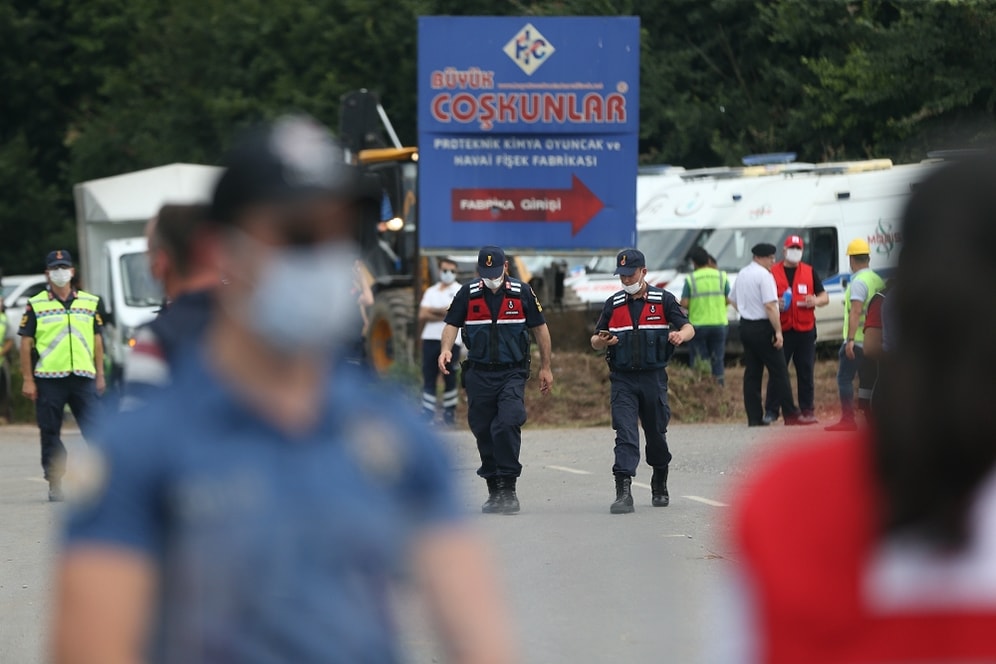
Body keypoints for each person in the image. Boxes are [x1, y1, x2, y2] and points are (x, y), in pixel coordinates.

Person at [53, 115, 516, 664]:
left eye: (341, 234)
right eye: (298, 234)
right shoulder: (135, 454)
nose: (324, 257)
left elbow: (478, 639)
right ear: (221, 251)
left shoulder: (397, 438)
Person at [722, 151, 996, 664]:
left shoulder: (787, 498)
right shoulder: (790, 278)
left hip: (832, 347)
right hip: (803, 338)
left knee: (838, 390)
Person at [438, 245, 553, 515]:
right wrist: (445, 349)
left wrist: (546, 367)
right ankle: (494, 489)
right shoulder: (468, 293)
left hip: (511, 372)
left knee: (509, 420)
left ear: (506, 268)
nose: (491, 277)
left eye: (496, 271)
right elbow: (451, 324)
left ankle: (509, 487)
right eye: (485, 272)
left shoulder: (522, 292)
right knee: (483, 430)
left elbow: (541, 329)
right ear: (479, 270)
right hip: (478, 374)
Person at [592, 248, 694, 514]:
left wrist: (680, 336)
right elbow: (594, 340)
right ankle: (623, 491)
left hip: (653, 378)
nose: (625, 280)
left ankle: (659, 479)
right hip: (623, 380)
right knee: (625, 433)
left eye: (630, 274)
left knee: (656, 434)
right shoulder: (613, 304)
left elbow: (688, 326)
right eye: (622, 276)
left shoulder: (663, 300)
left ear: (643, 272)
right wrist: (602, 341)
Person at [18, 249, 105, 501]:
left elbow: (97, 339)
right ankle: (55, 482)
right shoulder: (36, 304)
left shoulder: (89, 302)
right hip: (48, 379)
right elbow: (26, 342)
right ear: (47, 273)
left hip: (83, 376)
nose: (60, 272)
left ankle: (104, 481)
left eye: (64, 267)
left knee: (97, 430)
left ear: (72, 271)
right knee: (50, 433)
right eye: (55, 268)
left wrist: (100, 373)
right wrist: (27, 378)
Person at [121, 204, 218, 408]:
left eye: (149, 255)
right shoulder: (259, 323)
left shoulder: (157, 339)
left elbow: (139, 425)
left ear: (161, 263)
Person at [729, 243, 810, 427]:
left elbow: (732, 299)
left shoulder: (743, 274)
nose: (773, 262)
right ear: (759, 257)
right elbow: (770, 306)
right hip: (763, 327)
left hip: (746, 326)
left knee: (752, 372)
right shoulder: (764, 276)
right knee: (779, 370)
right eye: (770, 258)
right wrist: (778, 331)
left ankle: (754, 417)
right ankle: (790, 414)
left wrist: (745, 310)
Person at [763, 235, 828, 424]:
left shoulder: (809, 271)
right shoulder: (772, 272)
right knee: (778, 371)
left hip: (805, 329)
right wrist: (776, 303)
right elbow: (765, 298)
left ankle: (807, 410)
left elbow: (824, 296)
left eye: (798, 248)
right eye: (792, 248)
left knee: (806, 371)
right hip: (781, 329)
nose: (795, 251)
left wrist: (814, 300)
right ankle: (772, 411)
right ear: (784, 251)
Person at [825, 238, 884, 432]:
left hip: (857, 341)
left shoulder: (858, 282)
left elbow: (856, 311)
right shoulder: (877, 280)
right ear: (868, 257)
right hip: (873, 341)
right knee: (868, 381)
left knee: (844, 378)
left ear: (852, 260)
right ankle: (872, 419)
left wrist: (850, 340)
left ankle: (848, 420)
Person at [419, 257, 462, 425]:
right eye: (445, 270)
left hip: (452, 341)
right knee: (429, 376)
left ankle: (449, 414)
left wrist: (434, 312)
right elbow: (422, 314)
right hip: (430, 338)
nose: (448, 274)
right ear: (439, 271)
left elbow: (456, 313)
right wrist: (445, 311)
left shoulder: (460, 290)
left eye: (452, 271)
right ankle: (427, 412)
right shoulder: (431, 291)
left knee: (450, 376)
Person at [680, 246, 728, 385]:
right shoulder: (721, 276)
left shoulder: (691, 279)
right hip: (719, 324)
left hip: (698, 325)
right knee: (717, 359)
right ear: (708, 260)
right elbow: (728, 298)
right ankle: (719, 387)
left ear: (694, 263)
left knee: (700, 359)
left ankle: (703, 386)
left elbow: (684, 303)